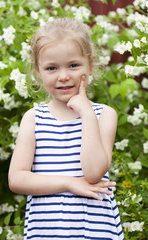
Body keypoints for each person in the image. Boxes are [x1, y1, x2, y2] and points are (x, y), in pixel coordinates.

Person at [8, 17, 124, 240]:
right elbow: (17, 179)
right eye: (52, 68)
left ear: (90, 65)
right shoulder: (33, 119)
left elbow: (93, 173)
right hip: (47, 232)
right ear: (38, 71)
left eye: (73, 65)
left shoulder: (104, 115)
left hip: (96, 231)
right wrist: (70, 183)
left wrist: (87, 114)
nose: (63, 76)